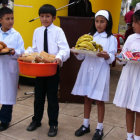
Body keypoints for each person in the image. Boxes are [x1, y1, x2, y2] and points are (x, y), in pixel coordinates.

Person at [71, 10, 117, 140]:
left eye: (102, 21)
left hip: (101, 71)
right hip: (87, 70)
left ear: (108, 23)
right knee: (87, 97)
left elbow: (112, 56)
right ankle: (85, 125)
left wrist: (107, 55)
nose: (99, 24)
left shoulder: (111, 39)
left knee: (99, 100)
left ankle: (99, 128)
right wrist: (77, 53)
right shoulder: (89, 36)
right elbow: (82, 55)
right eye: (97, 21)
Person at [26, 4, 70, 137]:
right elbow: (34, 49)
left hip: (52, 69)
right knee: (38, 97)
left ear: (54, 18)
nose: (44, 19)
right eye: (42, 16)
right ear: (39, 17)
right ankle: (36, 120)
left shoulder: (58, 31)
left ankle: (53, 124)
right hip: (39, 69)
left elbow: (65, 49)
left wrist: (58, 58)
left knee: (52, 98)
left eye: (48, 16)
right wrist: (26, 53)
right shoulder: (37, 31)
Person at [113, 10, 140, 140]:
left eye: (135, 22)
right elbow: (123, 56)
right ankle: (129, 136)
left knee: (139, 108)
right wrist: (119, 57)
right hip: (129, 75)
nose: (132, 25)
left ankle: (138, 137)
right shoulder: (131, 37)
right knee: (129, 107)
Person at [0, 7, 24, 131]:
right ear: (0, 20)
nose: (10, 21)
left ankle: (4, 120)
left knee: (7, 95)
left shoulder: (16, 35)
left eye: (12, 18)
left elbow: (22, 52)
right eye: (7, 19)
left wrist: (13, 52)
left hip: (10, 68)